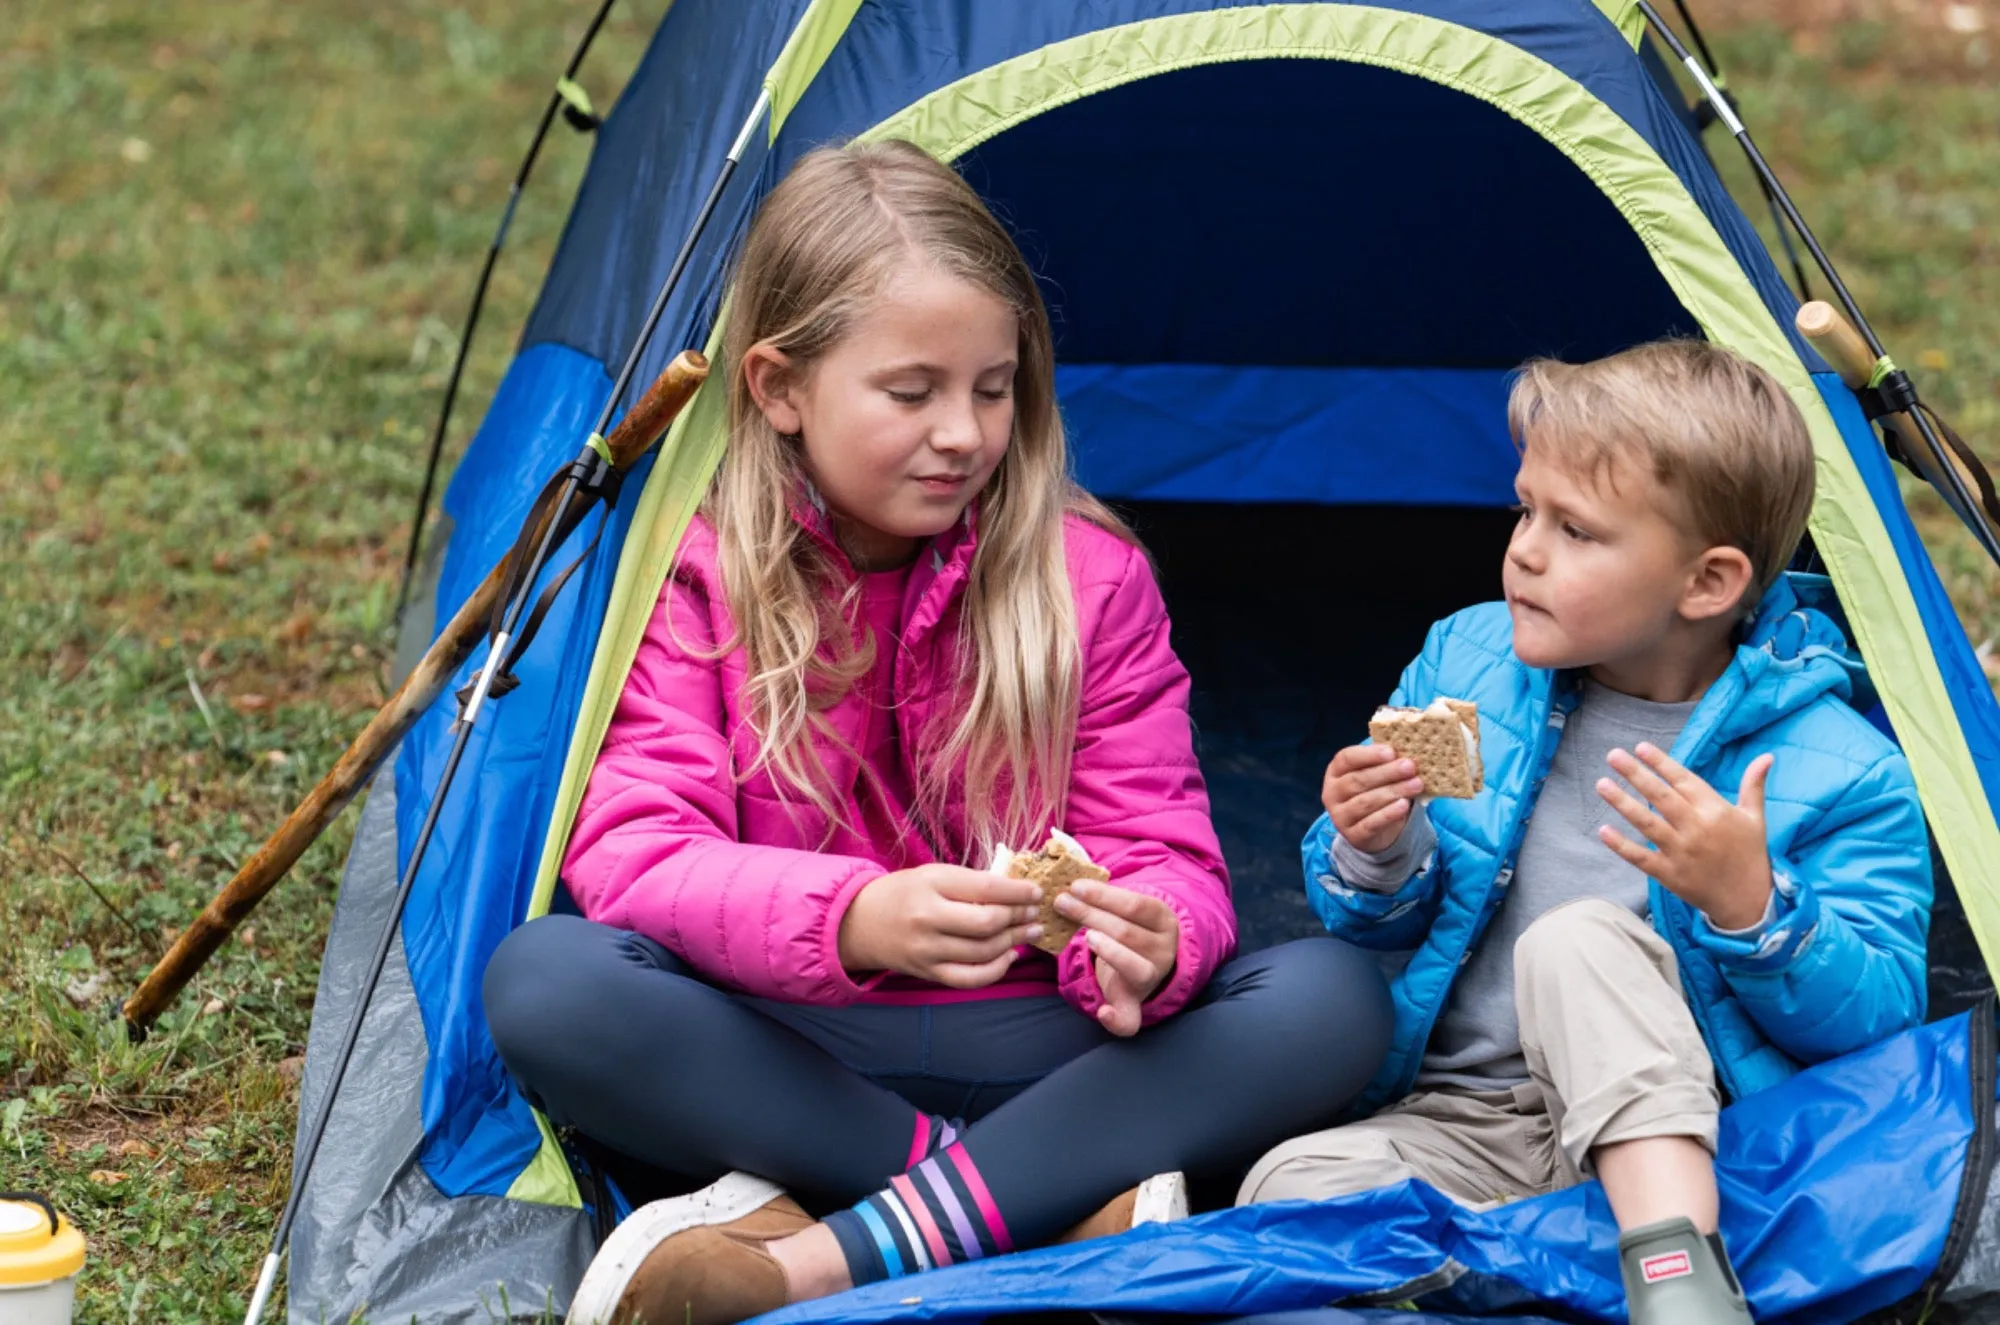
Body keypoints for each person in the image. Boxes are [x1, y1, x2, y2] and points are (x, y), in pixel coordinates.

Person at [481, 140, 1392, 1325]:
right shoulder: (699, 571)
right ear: (778, 386)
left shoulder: (1088, 576)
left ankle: (816, 1252)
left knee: (1330, 997)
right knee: (545, 979)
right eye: (910, 392)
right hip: (783, 1036)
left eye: (993, 387)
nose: (961, 432)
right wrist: (853, 917)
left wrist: (1149, 944)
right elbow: (637, 852)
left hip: (1043, 1039)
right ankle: (1029, 1200)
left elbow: (1163, 843)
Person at [1238, 341, 1931, 1325]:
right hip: (1471, 1116)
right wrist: (1374, 848)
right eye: (1525, 509)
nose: (1523, 548)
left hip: (1687, 1134)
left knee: (1574, 941)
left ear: (1705, 582)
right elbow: (1380, 922)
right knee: (1283, 1186)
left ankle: (1672, 1274)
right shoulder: (1467, 657)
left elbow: (1880, 1023)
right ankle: (1557, 1263)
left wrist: (1753, 907)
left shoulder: (1834, 761)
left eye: (1574, 529)